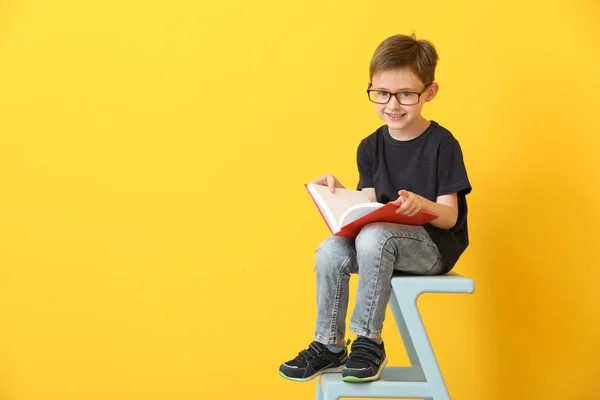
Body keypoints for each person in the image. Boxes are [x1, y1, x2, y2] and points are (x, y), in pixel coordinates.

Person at [278, 33, 472, 383]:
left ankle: (369, 341)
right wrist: (338, 194)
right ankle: (329, 346)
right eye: (381, 94)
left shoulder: (442, 144)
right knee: (330, 250)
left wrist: (421, 205)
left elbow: (450, 217)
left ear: (429, 92)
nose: (392, 105)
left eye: (406, 95)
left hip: (432, 250)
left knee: (376, 236)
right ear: (371, 89)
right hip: (379, 244)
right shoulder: (369, 147)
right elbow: (369, 205)